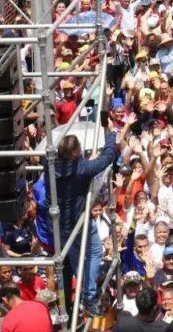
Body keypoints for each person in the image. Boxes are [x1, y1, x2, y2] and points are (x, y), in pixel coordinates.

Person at [48, 124, 119, 314]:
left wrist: (85, 161)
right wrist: (111, 134)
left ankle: (85, 288)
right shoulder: (82, 169)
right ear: (76, 152)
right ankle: (89, 296)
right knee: (95, 252)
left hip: (58, 222)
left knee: (76, 257)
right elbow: (108, 156)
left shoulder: (50, 166)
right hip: (78, 222)